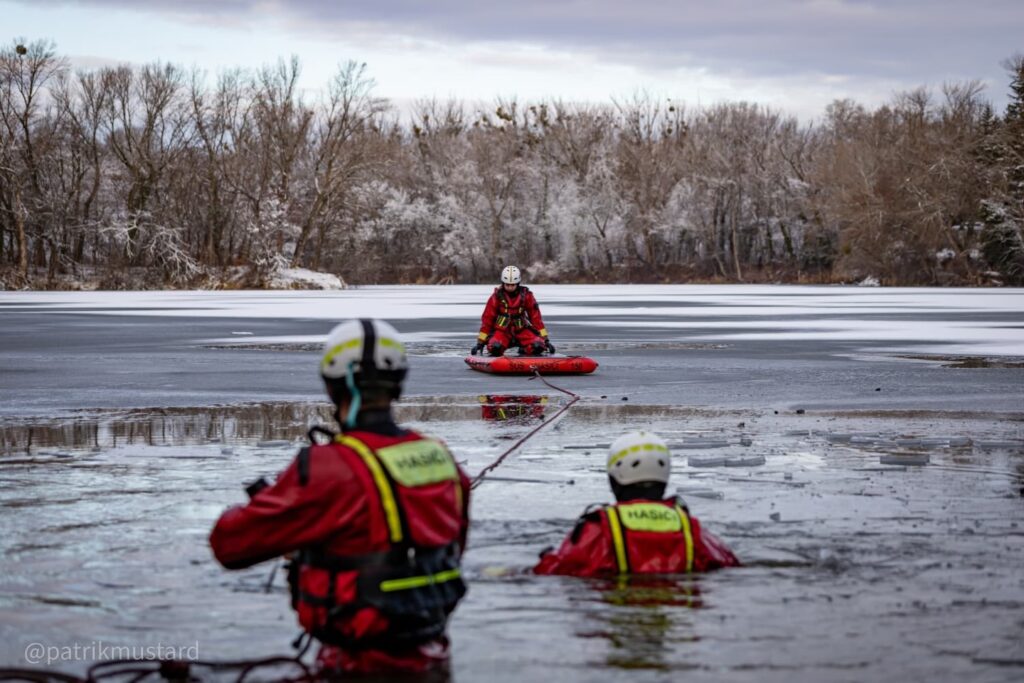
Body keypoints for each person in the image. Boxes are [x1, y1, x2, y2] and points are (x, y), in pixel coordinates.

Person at [210, 319, 471, 677]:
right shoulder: (440, 457)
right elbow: (448, 547)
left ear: (332, 386)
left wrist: (280, 506)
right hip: (434, 660)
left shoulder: (325, 468)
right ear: (398, 383)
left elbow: (229, 544)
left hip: (353, 666)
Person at [534, 430, 739, 576]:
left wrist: (547, 555)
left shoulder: (599, 529)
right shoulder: (691, 529)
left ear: (614, 479)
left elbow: (558, 568)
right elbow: (728, 563)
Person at [471, 265, 555, 357]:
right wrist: (480, 342)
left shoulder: (527, 296)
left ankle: (525, 349)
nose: (510, 287)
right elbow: (487, 320)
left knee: (538, 346)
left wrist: (545, 340)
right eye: (507, 285)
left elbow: (536, 319)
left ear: (518, 283)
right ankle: (498, 350)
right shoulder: (496, 297)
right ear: (503, 283)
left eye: (513, 285)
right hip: (502, 332)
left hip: (522, 331)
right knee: (495, 348)